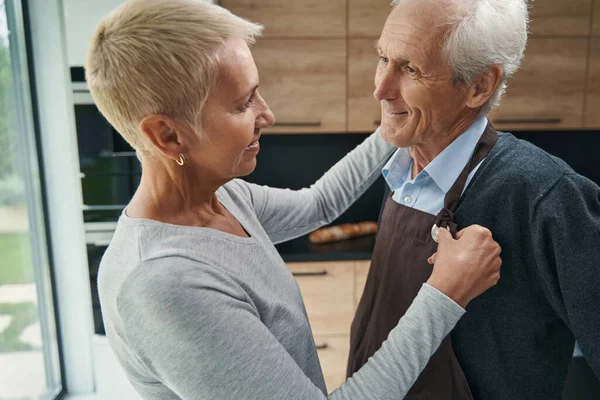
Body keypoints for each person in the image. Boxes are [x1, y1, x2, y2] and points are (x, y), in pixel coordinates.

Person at [89, 1, 502, 399]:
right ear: (167, 136)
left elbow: (318, 203)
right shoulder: (164, 286)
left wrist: (399, 121)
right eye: (244, 103)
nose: (267, 115)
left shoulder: (225, 198)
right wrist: (446, 293)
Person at [347, 0, 600, 399]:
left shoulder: (545, 197)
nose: (380, 88)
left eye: (410, 69)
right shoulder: (403, 167)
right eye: (383, 58)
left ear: (479, 85)